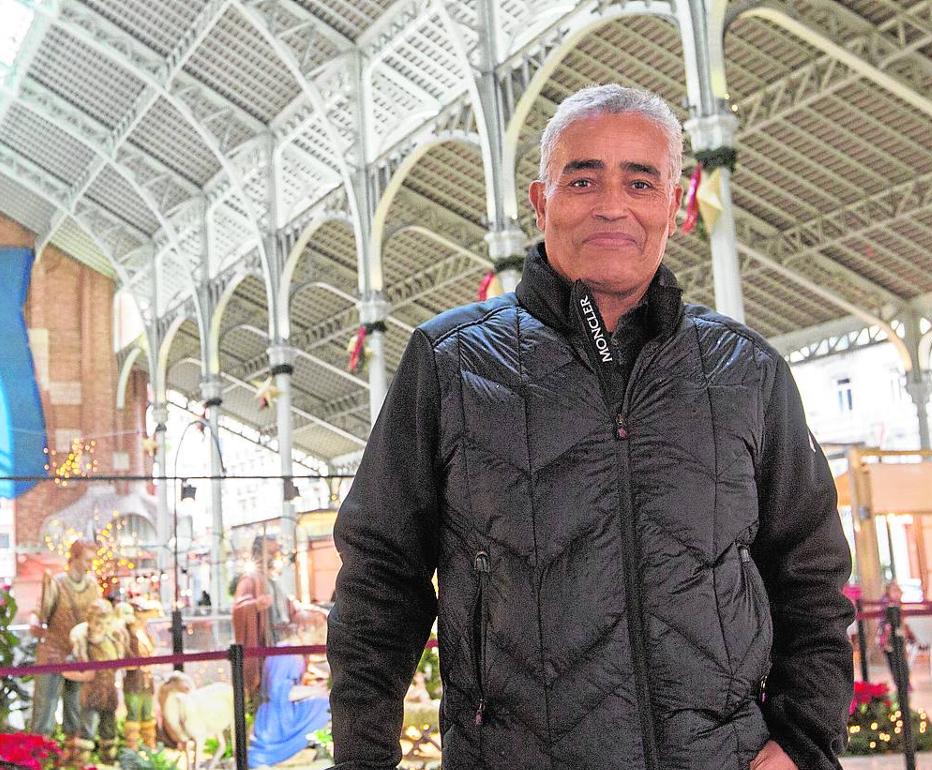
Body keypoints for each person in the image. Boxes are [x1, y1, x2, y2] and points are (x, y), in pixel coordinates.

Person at [327, 84, 854, 770]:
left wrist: (803, 741)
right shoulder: (451, 363)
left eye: (640, 180)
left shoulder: (745, 369)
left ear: (676, 200)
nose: (613, 205)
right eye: (583, 178)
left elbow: (811, 574)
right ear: (541, 200)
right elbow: (379, 579)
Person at [29, 539, 101, 738]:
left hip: (79, 653)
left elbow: (100, 617)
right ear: (74, 558)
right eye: (87, 560)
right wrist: (35, 622)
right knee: (45, 703)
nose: (90, 565)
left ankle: (74, 752)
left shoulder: (92, 586)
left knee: (76, 704)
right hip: (53, 651)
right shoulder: (57, 583)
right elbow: (39, 610)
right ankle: (39, 752)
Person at [247, 608, 330, 769]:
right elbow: (280, 692)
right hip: (279, 718)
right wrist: (317, 690)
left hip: (279, 713)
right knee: (324, 707)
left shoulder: (291, 652)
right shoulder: (288, 654)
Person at [233, 534, 294, 697]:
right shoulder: (250, 579)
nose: (274, 556)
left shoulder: (273, 581)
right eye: (270, 551)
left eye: (276, 552)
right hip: (265, 642)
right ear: (259, 553)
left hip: (280, 642)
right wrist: (255, 605)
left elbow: (289, 609)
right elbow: (239, 607)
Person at [65, 599, 125, 764]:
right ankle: (82, 759)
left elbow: (118, 663)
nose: (101, 627)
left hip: (109, 691)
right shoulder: (83, 643)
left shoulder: (113, 641)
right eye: (98, 623)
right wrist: (84, 675)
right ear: (90, 621)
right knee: (87, 725)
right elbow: (68, 669)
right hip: (91, 692)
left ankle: (109, 757)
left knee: (108, 725)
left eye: (106, 623)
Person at [119, 599, 158, 750]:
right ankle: (132, 748)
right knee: (133, 714)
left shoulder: (144, 633)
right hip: (133, 681)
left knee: (148, 713)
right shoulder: (127, 635)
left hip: (146, 681)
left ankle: (150, 746)